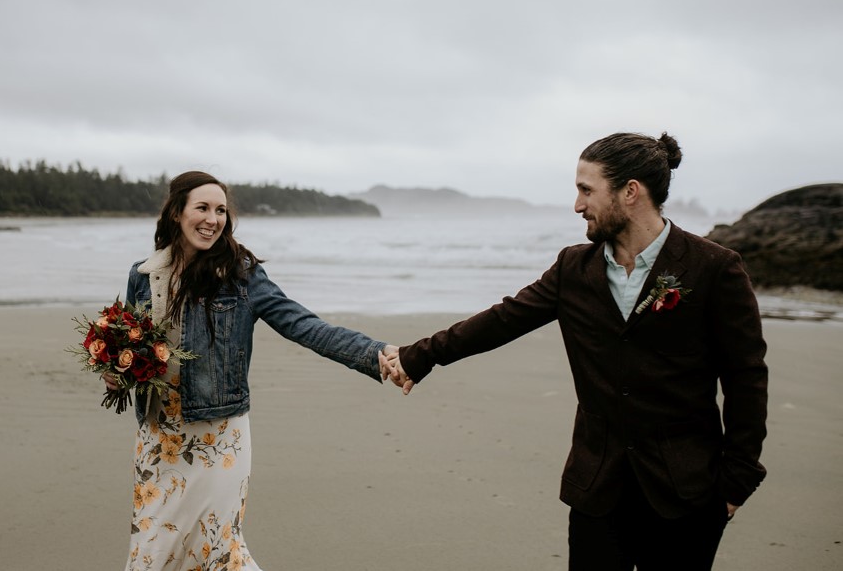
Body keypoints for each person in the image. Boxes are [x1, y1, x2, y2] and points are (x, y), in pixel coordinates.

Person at [380, 132, 768, 571]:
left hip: (687, 488)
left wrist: (738, 481)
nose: (577, 205)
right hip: (598, 485)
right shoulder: (573, 268)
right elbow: (504, 319)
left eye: (587, 190)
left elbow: (746, 377)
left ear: (630, 191)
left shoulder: (713, 267)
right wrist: (420, 355)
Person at [111, 171, 394, 570]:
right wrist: (116, 373)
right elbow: (131, 347)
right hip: (159, 436)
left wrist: (373, 352)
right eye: (203, 208)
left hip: (219, 435)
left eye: (221, 210)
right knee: (152, 550)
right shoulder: (143, 274)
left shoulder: (241, 275)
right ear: (177, 213)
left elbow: (303, 324)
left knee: (218, 548)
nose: (213, 219)